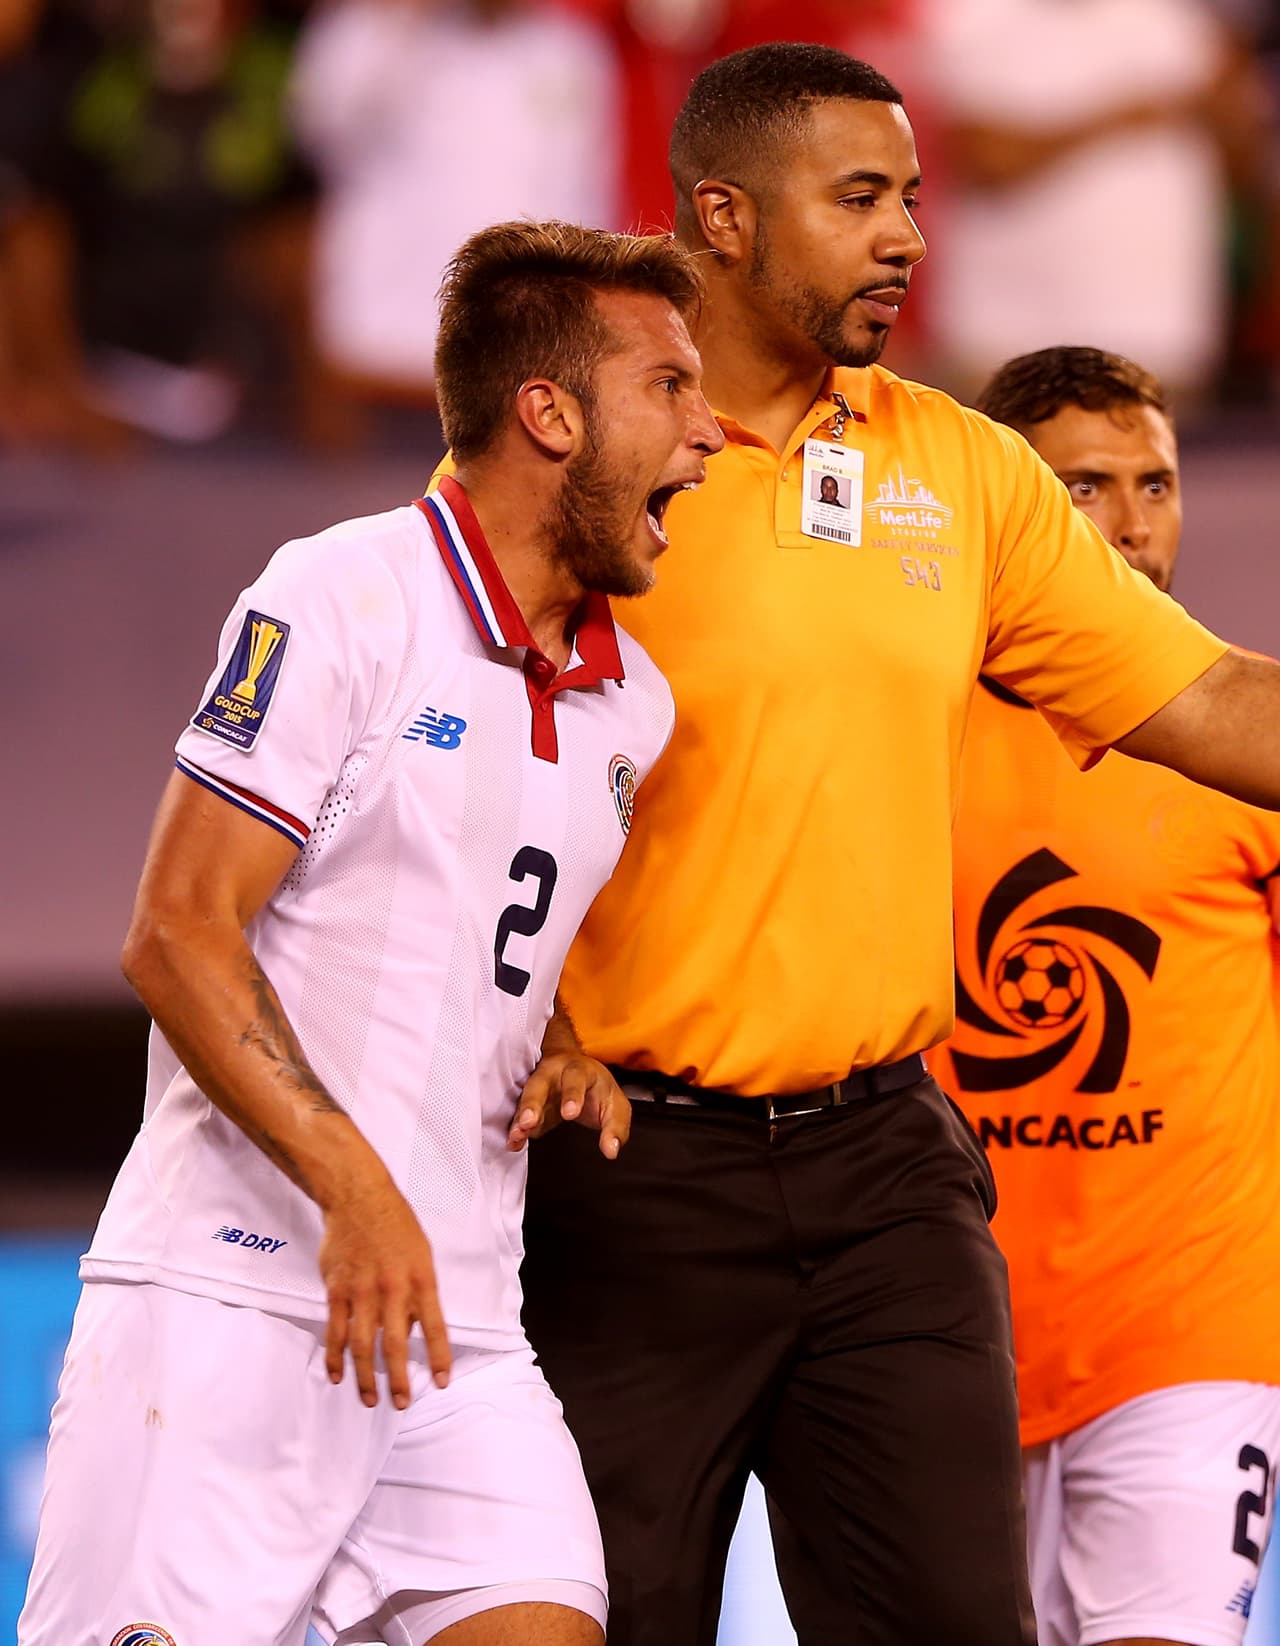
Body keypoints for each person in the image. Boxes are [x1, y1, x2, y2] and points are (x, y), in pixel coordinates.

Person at [507, 43, 1280, 1646]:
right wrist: (543, 1022)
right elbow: (429, 772)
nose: (910, 238)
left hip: (891, 1176)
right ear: (721, 216)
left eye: (915, 198)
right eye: (860, 199)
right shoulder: (576, 453)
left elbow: (1207, 697)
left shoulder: (963, 469)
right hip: (633, 1175)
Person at [17, 218, 722, 1646]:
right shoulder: (338, 594)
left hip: (459, 1330)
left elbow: (467, 917)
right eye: (671, 388)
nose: (713, 433)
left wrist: (563, 1043)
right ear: (549, 412)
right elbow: (176, 934)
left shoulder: (632, 702)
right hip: (231, 1300)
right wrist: (356, 1185)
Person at [929, 345, 1280, 1646]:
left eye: (1155, 482)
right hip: (947, 1341)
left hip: (1191, 1329)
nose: (1133, 522)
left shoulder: (1250, 734)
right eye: (1085, 486)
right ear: (1006, 508)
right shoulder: (898, 730)